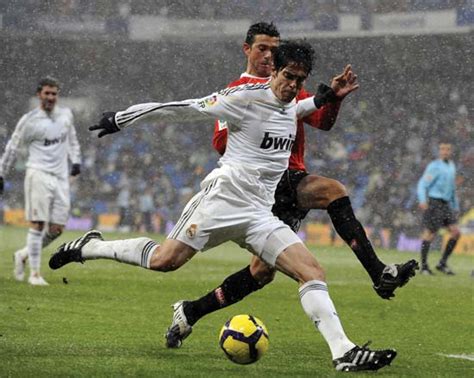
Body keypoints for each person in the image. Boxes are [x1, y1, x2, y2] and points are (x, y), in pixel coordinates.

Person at [50, 40, 397, 372]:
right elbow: (182, 109)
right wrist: (123, 118)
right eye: (288, 77)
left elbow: (294, 108)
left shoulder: (292, 104)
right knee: (164, 261)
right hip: (222, 200)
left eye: (299, 80)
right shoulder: (242, 98)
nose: (293, 85)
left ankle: (344, 352)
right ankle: (90, 246)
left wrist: (326, 98)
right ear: (272, 71)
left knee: (312, 272)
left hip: (260, 214)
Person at [165, 22, 418, 349]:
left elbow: (323, 121)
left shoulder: (289, 85)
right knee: (333, 191)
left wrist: (333, 100)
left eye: (275, 48)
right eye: (262, 48)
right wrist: (262, 121)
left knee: (260, 273)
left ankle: (191, 310)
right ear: (247, 50)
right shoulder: (236, 92)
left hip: (288, 181)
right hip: (266, 180)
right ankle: (380, 274)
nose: (269, 55)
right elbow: (220, 142)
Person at [0, 76, 82, 285]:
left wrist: (76, 160)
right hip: (38, 174)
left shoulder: (66, 115)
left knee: (56, 229)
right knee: (37, 224)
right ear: (39, 94)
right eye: (47, 93)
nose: (51, 97)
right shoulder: (29, 121)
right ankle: (35, 274)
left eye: (54, 93)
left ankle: (23, 255)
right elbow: (12, 147)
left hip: (61, 177)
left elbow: (72, 139)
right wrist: (1, 173)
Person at [417, 142, 461, 275]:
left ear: (451, 151)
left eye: (447, 149)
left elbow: (452, 188)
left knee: (456, 233)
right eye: (442, 149)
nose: (445, 151)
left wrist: (455, 206)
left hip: (446, 204)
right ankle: (424, 266)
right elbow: (422, 184)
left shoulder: (452, 166)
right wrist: (423, 200)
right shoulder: (434, 166)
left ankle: (442, 263)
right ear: (439, 151)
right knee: (430, 234)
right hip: (435, 202)